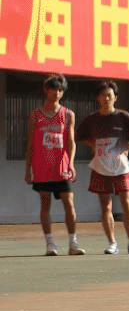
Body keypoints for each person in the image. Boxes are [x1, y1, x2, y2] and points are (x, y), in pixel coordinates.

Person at [75, 80, 129, 255]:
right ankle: (112, 243)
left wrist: (127, 146)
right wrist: (93, 146)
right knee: (106, 206)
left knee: (126, 203)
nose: (106, 99)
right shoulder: (92, 119)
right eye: (103, 95)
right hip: (100, 167)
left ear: (115, 97)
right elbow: (79, 136)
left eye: (109, 95)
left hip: (120, 167)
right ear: (97, 98)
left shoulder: (123, 116)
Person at [25, 74, 80, 256]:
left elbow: (71, 142)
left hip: (61, 168)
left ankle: (73, 243)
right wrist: (28, 169)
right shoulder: (35, 115)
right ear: (46, 90)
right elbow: (31, 143)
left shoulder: (68, 115)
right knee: (45, 203)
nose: (56, 93)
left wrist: (71, 163)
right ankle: (50, 244)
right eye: (53, 89)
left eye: (60, 90)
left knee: (69, 202)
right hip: (41, 168)